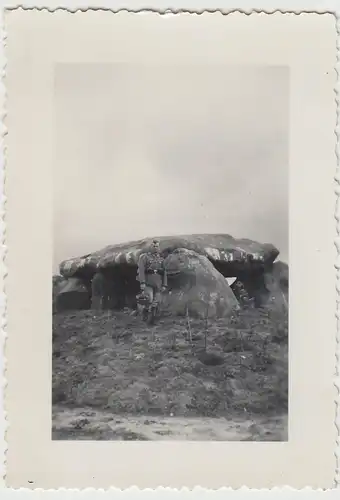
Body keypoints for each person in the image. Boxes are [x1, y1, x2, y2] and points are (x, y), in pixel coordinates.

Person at [137, 239, 168, 318]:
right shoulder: (144, 257)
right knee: (149, 299)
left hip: (158, 283)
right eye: (154, 246)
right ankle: (146, 312)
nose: (155, 248)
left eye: (157, 246)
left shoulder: (161, 259)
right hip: (148, 282)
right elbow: (141, 270)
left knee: (156, 301)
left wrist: (164, 284)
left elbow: (164, 272)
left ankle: (152, 319)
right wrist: (142, 282)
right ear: (150, 247)